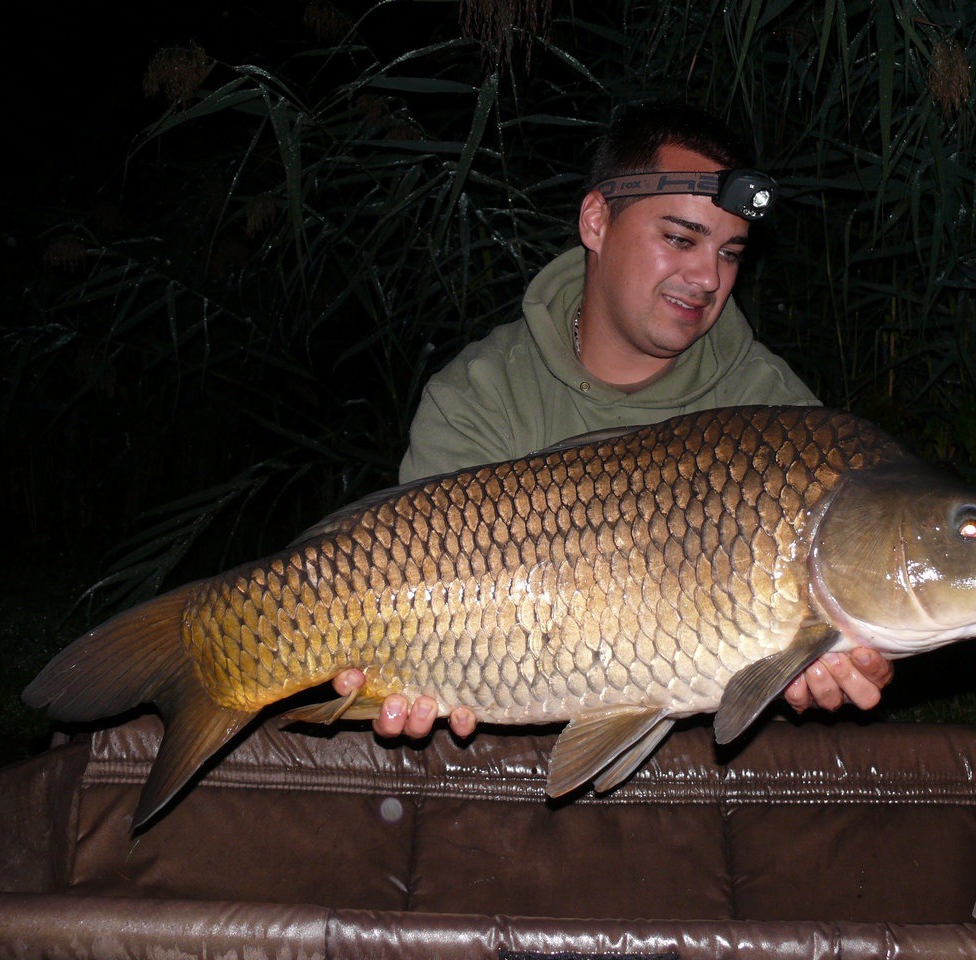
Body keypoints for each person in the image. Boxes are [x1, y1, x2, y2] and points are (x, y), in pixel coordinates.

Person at [334, 100, 893, 740]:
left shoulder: (777, 423)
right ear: (597, 221)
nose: (708, 277)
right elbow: (398, 573)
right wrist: (396, 685)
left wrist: (845, 671)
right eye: (680, 238)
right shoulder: (479, 395)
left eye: (731, 252)